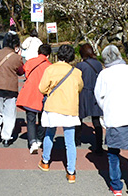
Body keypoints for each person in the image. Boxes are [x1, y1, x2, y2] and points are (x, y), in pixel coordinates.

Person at [95, 45, 128, 196]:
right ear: (119, 55)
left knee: (113, 153)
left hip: (115, 117)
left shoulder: (104, 75)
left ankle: (116, 186)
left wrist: (106, 108)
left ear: (104, 59)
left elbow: (99, 96)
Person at [38, 44, 83, 184]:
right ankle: (71, 172)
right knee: (70, 141)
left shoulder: (50, 69)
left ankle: (45, 161)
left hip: (53, 107)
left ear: (58, 55)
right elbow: (80, 87)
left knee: (49, 133)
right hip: (69, 108)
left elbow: (41, 88)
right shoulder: (76, 72)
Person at [0, 32, 24, 146]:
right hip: (10, 89)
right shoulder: (16, 57)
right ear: (16, 45)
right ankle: (6, 137)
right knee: (9, 114)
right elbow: (21, 72)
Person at [16, 43, 52, 154]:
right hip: (44, 95)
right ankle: (39, 139)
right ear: (49, 55)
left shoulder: (31, 62)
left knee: (30, 119)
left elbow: (21, 71)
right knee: (43, 119)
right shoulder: (50, 66)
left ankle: (32, 142)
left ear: (38, 52)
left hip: (30, 93)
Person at [75, 43, 104, 153]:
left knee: (79, 118)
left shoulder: (80, 66)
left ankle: (77, 141)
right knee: (96, 120)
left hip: (83, 93)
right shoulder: (98, 64)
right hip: (96, 93)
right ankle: (99, 145)